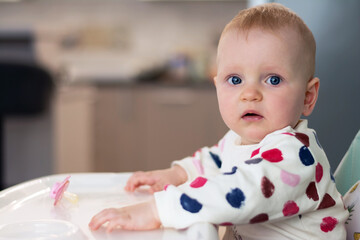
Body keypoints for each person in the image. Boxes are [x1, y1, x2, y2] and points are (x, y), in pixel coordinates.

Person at [89, 3, 349, 239]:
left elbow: (239, 190)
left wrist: (157, 209)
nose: (250, 94)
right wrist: (177, 174)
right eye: (235, 80)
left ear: (308, 96)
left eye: (273, 80)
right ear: (217, 86)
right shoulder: (240, 140)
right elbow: (214, 161)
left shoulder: (295, 155)